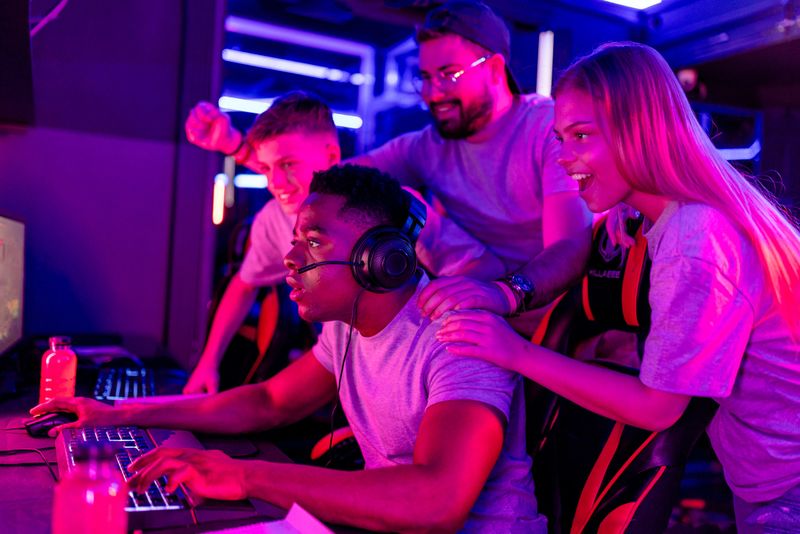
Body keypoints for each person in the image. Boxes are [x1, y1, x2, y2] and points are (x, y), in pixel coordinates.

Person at [33, 165, 546, 532]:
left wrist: (243, 475)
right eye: (296, 240)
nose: (291, 259)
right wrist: (116, 413)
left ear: (379, 259)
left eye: (315, 242)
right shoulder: (346, 326)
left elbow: (438, 501)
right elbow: (269, 401)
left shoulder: (460, 336)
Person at [436, 42, 800, 534]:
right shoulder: (666, 217)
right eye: (560, 138)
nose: (562, 157)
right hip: (770, 480)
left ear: (640, 130)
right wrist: (620, 209)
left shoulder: (696, 236)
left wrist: (515, 352)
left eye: (582, 135)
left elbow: (658, 407)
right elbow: (588, 239)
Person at [188, 1, 593, 325]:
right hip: (477, 309)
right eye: (425, 77)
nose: (433, 93)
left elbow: (569, 247)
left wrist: (505, 293)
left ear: (494, 68)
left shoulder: (547, 127)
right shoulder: (428, 146)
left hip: (546, 319)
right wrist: (236, 147)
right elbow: (329, 184)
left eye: (448, 74)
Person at [184, 91, 504, 394]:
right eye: (266, 168)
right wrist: (208, 363)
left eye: (288, 164)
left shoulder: (391, 207)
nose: (275, 182)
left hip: (421, 371)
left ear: (331, 156)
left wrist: (443, 303)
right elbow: (244, 284)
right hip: (346, 372)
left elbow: (484, 269)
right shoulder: (272, 219)